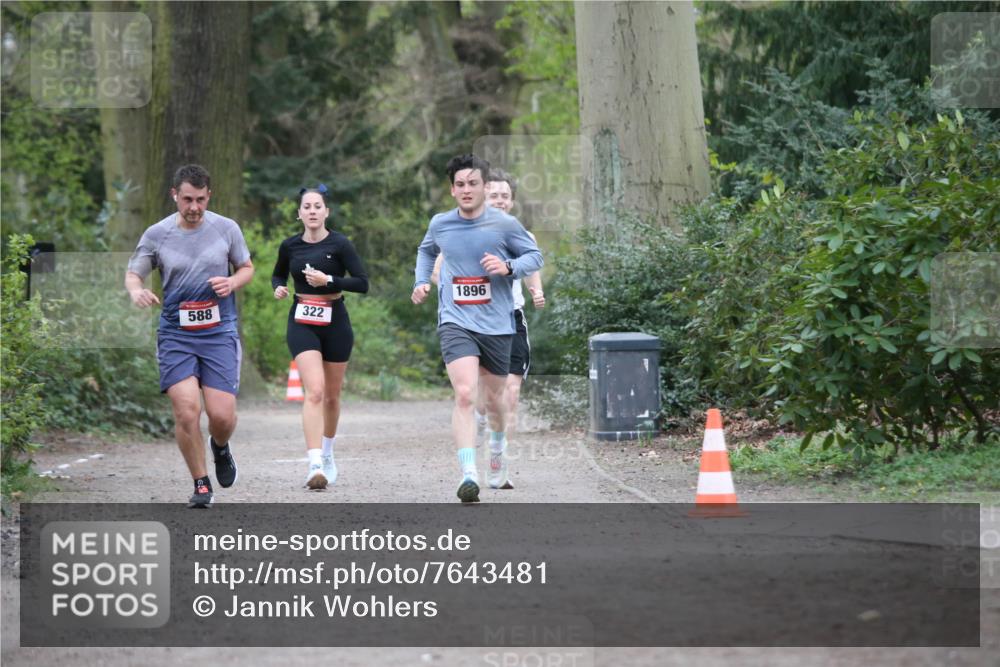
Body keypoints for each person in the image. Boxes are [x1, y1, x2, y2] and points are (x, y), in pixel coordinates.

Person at [412, 154, 543, 502]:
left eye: (473, 183)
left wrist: (508, 266)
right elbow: (426, 252)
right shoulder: (441, 224)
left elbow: (535, 257)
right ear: (452, 189)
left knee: (497, 400)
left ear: (484, 187)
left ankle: (497, 454)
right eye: (460, 184)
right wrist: (422, 282)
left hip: (498, 324)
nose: (467, 190)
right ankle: (469, 473)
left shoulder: (505, 224)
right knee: (466, 393)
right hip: (456, 320)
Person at [126, 164, 254, 508]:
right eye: (187, 200)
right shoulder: (157, 234)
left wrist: (232, 282)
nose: (194, 207)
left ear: (209, 196)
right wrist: (136, 291)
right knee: (186, 411)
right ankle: (201, 483)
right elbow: (133, 274)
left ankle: (220, 447)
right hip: (176, 333)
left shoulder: (226, 229)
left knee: (222, 416)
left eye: (200, 199)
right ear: (174, 196)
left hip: (219, 331)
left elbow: (246, 268)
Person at [272, 184, 369, 490]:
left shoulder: (340, 243)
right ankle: (314, 462)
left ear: (326, 212)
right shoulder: (290, 246)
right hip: (302, 319)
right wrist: (278, 287)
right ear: (299, 213)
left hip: (335, 319)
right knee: (313, 391)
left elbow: (362, 283)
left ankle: (327, 453)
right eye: (307, 207)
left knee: (331, 395)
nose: (312, 211)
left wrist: (330, 280)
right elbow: (278, 273)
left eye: (317, 206)